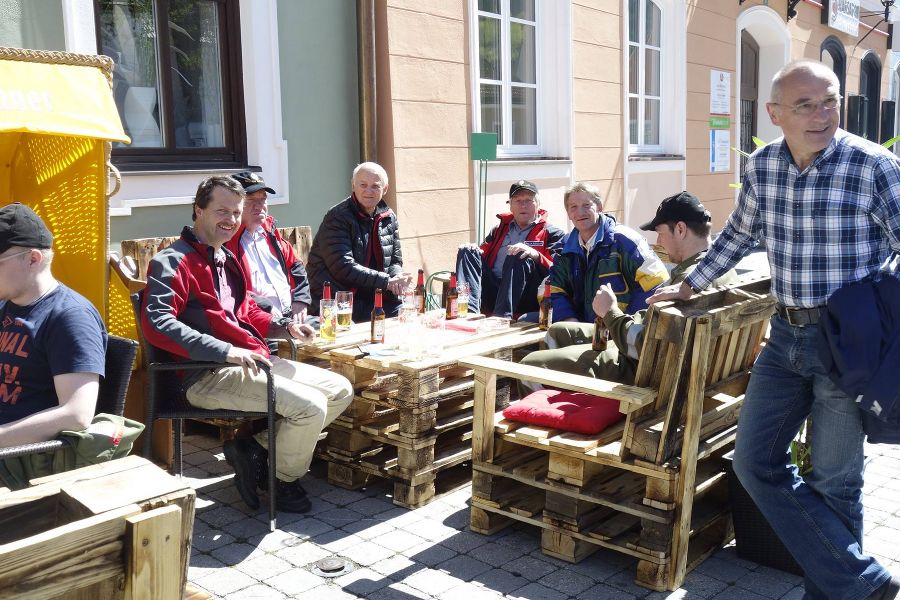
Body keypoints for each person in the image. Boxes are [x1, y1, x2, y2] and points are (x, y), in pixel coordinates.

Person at [649, 60, 900, 599]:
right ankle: (861, 583)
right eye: (804, 105)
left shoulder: (874, 166)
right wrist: (691, 285)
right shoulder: (763, 167)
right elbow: (737, 238)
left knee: (837, 482)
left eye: (829, 101)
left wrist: (882, 308)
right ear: (774, 113)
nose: (820, 114)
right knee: (754, 461)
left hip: (847, 347)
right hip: (784, 335)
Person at [141, 176, 353, 513]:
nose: (230, 219)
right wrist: (225, 351)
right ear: (199, 210)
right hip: (202, 375)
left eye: (236, 212)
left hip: (251, 362)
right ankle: (280, 480)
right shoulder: (172, 261)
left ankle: (254, 450)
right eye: (221, 210)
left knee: (340, 389)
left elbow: (247, 312)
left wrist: (284, 328)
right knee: (310, 406)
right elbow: (158, 323)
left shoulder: (226, 257)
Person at [522, 191, 737, 384]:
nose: (659, 242)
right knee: (559, 331)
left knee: (529, 365)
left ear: (680, 229)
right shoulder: (716, 270)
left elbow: (645, 344)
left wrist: (611, 313)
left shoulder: (687, 283)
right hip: (673, 360)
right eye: (573, 207)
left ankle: (560, 414)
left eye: (661, 233)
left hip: (646, 368)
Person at [0, 203, 106, 447]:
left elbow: (76, 414)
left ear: (33, 259)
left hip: (22, 457)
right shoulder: (7, 305)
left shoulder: (70, 316)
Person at [549, 182, 668, 325]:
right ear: (568, 213)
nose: (580, 212)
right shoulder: (564, 248)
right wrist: (569, 321)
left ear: (599, 207)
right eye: (573, 207)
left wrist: (624, 325)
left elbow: (655, 284)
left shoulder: (625, 240)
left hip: (622, 332)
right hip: (583, 329)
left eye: (587, 205)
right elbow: (556, 290)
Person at [306, 162, 409, 322]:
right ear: (353, 186)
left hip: (374, 297)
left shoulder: (388, 216)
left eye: (375, 186)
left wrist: (397, 279)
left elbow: (395, 260)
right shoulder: (338, 217)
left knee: (409, 314)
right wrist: (386, 281)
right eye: (363, 185)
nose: (368, 191)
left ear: (385, 189)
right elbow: (343, 267)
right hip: (339, 300)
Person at [455, 180, 564, 318]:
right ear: (511, 206)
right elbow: (483, 253)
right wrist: (474, 250)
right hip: (493, 289)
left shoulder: (553, 233)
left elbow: (558, 270)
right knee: (467, 252)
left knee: (519, 254)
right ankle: (468, 313)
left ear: (538, 205)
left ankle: (501, 318)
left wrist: (535, 254)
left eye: (528, 200)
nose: (523, 205)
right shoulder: (499, 230)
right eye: (518, 200)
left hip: (525, 294)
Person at [225, 171, 311, 321]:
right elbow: (231, 289)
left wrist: (301, 300)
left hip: (291, 316)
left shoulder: (270, 233)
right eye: (250, 200)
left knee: (339, 330)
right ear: (234, 205)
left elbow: (296, 266)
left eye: (263, 199)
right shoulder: (226, 242)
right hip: (259, 324)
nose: (260, 206)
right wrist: (266, 308)